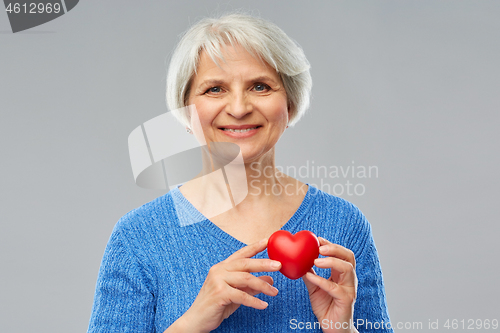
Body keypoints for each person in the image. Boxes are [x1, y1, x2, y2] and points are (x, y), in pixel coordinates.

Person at [87, 12, 393, 333]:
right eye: (215, 89)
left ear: (289, 104)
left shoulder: (344, 224)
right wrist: (192, 323)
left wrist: (342, 330)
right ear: (186, 111)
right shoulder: (138, 237)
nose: (238, 108)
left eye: (260, 86)